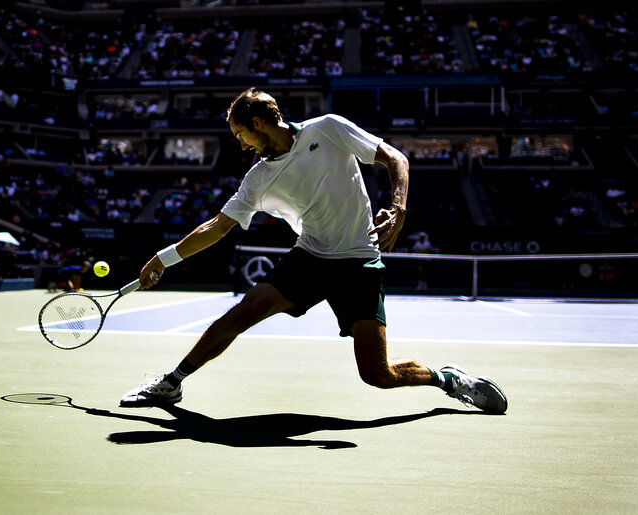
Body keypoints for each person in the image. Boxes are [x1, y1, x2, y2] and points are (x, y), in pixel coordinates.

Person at [121, 88, 507, 414]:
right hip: (309, 258)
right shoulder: (258, 177)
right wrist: (164, 257)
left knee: (377, 375)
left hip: (359, 261)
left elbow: (395, 158)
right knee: (242, 313)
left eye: (241, 134)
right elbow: (217, 227)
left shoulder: (329, 129)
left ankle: (448, 380)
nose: (241, 144)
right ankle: (172, 383)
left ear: (257, 124)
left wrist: (400, 208)